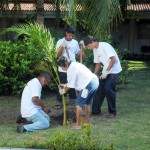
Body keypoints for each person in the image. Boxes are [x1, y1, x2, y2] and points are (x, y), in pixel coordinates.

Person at [83, 36, 122, 118]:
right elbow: (98, 63)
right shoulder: (95, 49)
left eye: (88, 46)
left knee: (108, 88)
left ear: (92, 42)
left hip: (114, 71)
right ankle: (95, 111)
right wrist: (94, 74)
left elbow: (113, 59)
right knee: (99, 89)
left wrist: (106, 71)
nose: (88, 48)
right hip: (106, 70)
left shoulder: (105, 46)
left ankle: (112, 112)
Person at [57, 56, 99, 129]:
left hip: (88, 85)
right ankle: (86, 123)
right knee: (86, 103)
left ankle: (78, 125)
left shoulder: (71, 69)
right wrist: (65, 86)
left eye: (61, 67)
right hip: (95, 81)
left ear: (63, 65)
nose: (62, 69)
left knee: (78, 104)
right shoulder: (75, 64)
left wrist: (62, 91)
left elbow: (70, 86)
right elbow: (74, 82)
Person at [55, 26, 84, 108]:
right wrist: (62, 47)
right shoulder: (60, 41)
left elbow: (78, 53)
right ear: (66, 33)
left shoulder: (75, 42)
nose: (71, 37)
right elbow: (57, 55)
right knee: (62, 84)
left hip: (73, 67)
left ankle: (73, 99)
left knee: (73, 83)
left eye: (72, 36)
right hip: (63, 68)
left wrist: (82, 48)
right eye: (69, 35)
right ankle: (59, 101)